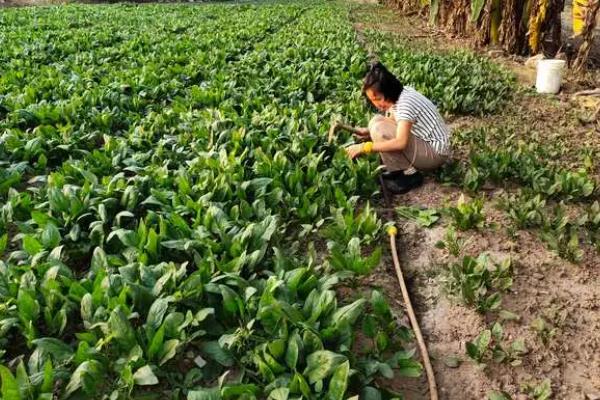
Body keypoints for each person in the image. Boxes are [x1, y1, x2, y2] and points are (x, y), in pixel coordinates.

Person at [336, 62, 451, 194]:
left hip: (435, 154)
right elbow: (393, 121)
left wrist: (364, 147)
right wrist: (366, 132)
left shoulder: (405, 104)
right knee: (375, 121)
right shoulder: (400, 94)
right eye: (372, 100)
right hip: (425, 144)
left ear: (388, 90)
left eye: (377, 98)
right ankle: (397, 170)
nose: (376, 104)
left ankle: (409, 175)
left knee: (380, 130)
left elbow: (401, 142)